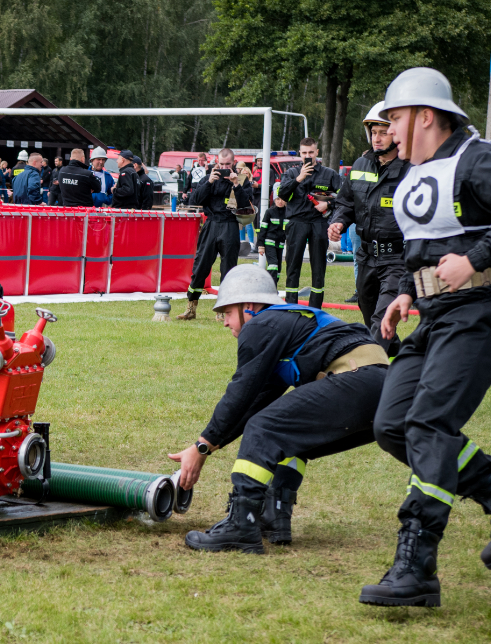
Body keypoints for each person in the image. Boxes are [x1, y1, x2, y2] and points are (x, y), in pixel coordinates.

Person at [360, 67, 491, 608]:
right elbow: (418, 246)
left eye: (394, 118)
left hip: (487, 309)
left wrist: (473, 259)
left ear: (426, 116)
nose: (388, 130)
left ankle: (417, 567)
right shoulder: (411, 173)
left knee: (428, 423)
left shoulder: (477, 157)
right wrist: (405, 290)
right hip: (437, 313)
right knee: (393, 425)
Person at [170, 264, 390, 552]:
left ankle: (241, 525)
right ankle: (275, 516)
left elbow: (240, 392)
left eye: (226, 313)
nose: (224, 323)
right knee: (285, 430)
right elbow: (252, 402)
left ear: (248, 306)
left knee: (264, 428)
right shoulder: (287, 324)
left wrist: (201, 446)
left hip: (356, 379)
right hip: (383, 391)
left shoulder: (261, 324)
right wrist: (208, 447)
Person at [328, 102, 409, 354]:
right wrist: (338, 221)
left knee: (381, 318)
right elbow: (346, 202)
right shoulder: (360, 166)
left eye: (382, 132)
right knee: (369, 313)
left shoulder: (412, 170)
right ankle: (396, 350)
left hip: (396, 258)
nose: (377, 138)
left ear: (396, 133)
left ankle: (369, 369)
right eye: (373, 132)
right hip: (365, 256)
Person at [176, 148, 254, 321]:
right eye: (221, 164)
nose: (224, 167)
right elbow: (194, 200)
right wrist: (209, 183)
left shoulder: (241, 180)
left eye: (228, 164)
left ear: (233, 163)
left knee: (228, 269)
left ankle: (223, 309)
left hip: (230, 225)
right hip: (211, 224)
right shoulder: (209, 177)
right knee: (200, 265)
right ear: (217, 162)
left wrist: (236, 185)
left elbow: (245, 206)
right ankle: (191, 307)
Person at [277, 137, 342, 308]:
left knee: (319, 267)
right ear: (300, 153)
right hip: (296, 223)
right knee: (292, 266)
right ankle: (291, 307)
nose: (308, 155)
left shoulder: (330, 174)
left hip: (319, 223)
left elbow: (344, 198)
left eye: (311, 152)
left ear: (317, 153)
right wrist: (298, 178)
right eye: (304, 152)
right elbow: (282, 195)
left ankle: (315, 309)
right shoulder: (291, 173)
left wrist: (328, 204)